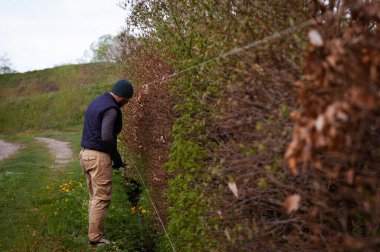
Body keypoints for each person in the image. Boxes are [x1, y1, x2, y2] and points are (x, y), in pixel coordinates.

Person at [79, 79, 133, 245]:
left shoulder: (97, 101)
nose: (127, 103)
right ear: (123, 97)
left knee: (94, 197)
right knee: (101, 198)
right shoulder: (111, 108)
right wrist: (117, 159)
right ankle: (95, 239)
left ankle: (94, 233)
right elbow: (106, 137)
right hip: (98, 157)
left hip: (85, 155)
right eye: (128, 100)